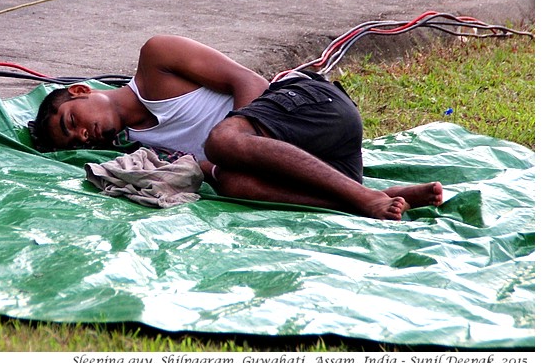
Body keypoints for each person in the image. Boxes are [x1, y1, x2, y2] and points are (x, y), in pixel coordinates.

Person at [30, 34, 443, 220]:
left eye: (72, 122)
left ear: (81, 91)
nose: (82, 136)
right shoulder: (135, 151)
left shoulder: (156, 59)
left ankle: (361, 196)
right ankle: (366, 197)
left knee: (223, 142)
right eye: (73, 142)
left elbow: (251, 83)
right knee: (229, 183)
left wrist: (232, 140)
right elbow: (210, 169)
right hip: (319, 163)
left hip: (317, 108)